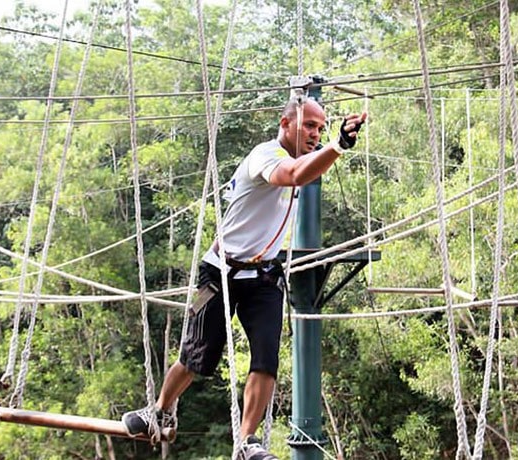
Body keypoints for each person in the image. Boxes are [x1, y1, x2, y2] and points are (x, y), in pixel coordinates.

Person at [122, 96, 367, 459]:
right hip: (218, 272)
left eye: (320, 128)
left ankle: (246, 441)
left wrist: (334, 146)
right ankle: (160, 408)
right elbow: (294, 175)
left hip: (265, 276)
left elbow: (307, 169)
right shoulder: (264, 156)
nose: (315, 134)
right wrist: (340, 145)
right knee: (196, 355)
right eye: (308, 126)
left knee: (266, 358)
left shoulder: (304, 160)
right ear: (285, 124)